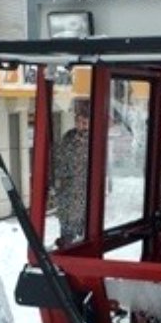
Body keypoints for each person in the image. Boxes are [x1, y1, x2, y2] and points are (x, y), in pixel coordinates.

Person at [52, 98, 90, 244]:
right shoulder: (69, 137)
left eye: (84, 122)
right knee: (66, 223)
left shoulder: (95, 140)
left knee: (82, 228)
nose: (81, 125)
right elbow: (59, 160)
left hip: (85, 193)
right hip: (67, 191)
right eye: (78, 121)